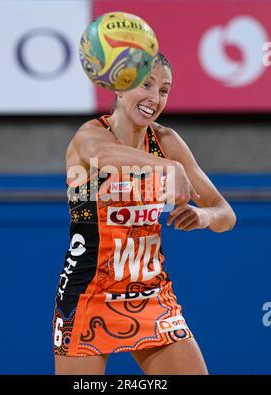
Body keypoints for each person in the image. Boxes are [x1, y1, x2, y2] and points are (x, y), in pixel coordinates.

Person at [52, 53, 236, 375]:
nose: (155, 98)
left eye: (164, 90)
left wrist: (204, 217)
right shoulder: (89, 135)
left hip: (151, 293)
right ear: (120, 88)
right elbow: (99, 155)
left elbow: (226, 214)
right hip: (88, 294)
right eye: (146, 85)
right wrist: (169, 167)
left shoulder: (166, 141)